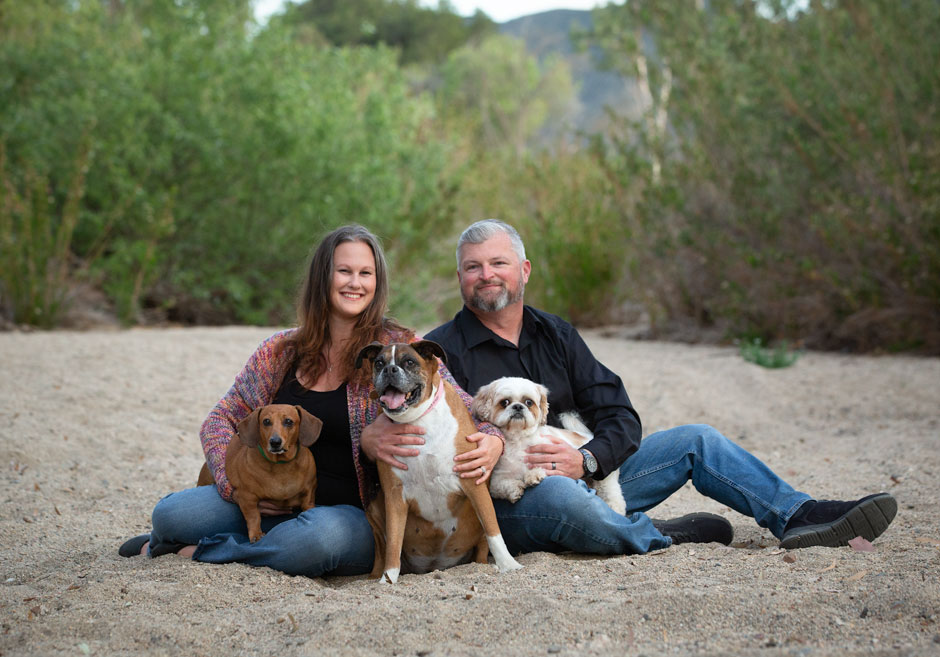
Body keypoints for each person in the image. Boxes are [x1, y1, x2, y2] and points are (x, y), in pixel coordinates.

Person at [421, 219, 897, 555]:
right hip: (515, 498)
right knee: (563, 499)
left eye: (498, 263)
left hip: (594, 479)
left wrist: (586, 460)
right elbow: (436, 451)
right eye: (473, 267)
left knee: (697, 439)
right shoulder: (439, 351)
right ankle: (647, 533)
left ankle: (799, 515)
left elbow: (619, 416)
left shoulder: (557, 334)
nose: (486, 275)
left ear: (524, 270)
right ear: (460, 277)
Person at [118, 224, 504, 577]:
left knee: (316, 543)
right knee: (170, 514)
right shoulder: (280, 351)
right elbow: (220, 420)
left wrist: (492, 439)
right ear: (323, 276)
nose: (355, 283)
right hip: (268, 498)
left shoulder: (396, 348)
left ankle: (199, 552)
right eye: (344, 271)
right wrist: (233, 486)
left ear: (377, 283)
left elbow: (466, 407)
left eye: (365, 274)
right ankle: (188, 539)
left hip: (348, 515)